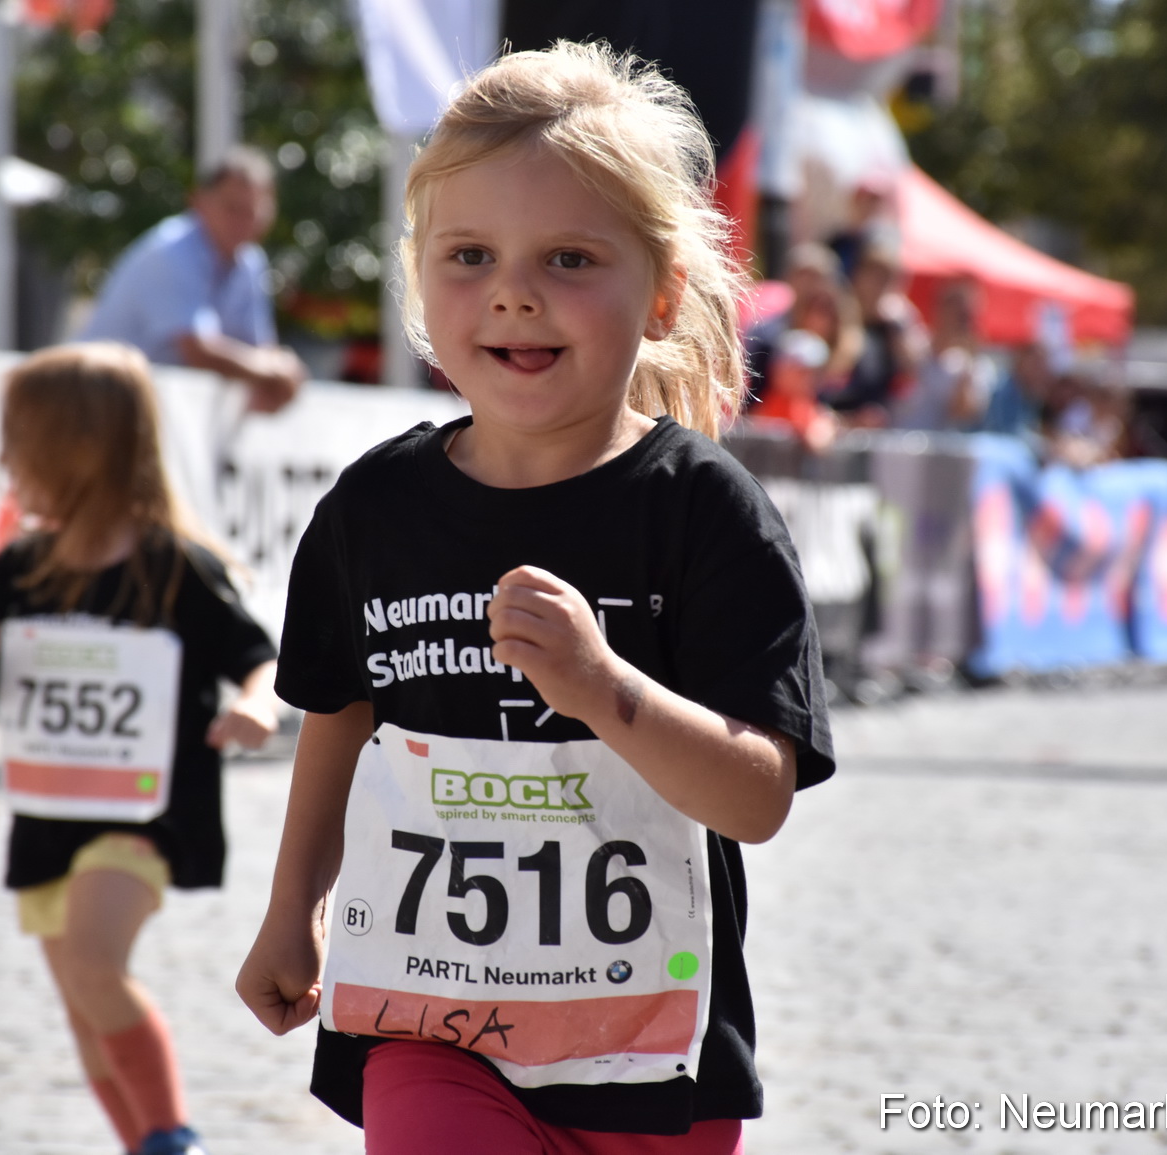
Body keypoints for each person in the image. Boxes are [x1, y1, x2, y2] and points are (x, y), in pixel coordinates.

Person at [236, 41, 835, 1154]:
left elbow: (756, 800)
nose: (513, 291)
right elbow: (340, 714)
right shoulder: (374, 508)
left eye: (568, 257)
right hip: (428, 1028)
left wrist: (603, 686)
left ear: (660, 295)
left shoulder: (706, 510)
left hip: (655, 1055)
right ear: (418, 282)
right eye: (468, 254)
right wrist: (292, 910)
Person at [0, 344, 280, 1155]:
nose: (3, 460)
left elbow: (259, 659)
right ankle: (143, 1143)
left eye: (18, 438)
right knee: (83, 1010)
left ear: (78, 445)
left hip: (145, 812)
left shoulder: (175, 568)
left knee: (96, 965)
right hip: (47, 812)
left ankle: (171, 1134)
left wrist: (255, 706)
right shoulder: (20, 567)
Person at [80, 146, 306, 413]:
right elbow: (199, 351)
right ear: (199, 201)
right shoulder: (170, 251)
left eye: (253, 211)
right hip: (91, 406)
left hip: (139, 414)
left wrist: (275, 370)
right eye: (232, 208)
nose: (243, 221)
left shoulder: (250, 262)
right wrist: (274, 371)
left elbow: (259, 352)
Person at [741, 242, 862, 411]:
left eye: (826, 308)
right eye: (801, 276)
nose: (807, 285)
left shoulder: (859, 355)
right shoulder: (767, 341)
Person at [820, 239, 924, 426]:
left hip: (873, 434)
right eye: (873, 275)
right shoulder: (837, 316)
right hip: (832, 422)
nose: (878, 285)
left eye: (886, 278)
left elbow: (914, 374)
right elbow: (830, 377)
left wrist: (899, 326)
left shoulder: (894, 326)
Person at [892, 279, 995, 433]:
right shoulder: (914, 342)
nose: (959, 321)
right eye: (955, 309)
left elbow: (962, 413)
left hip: (935, 452)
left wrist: (968, 366)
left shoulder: (977, 366)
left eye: (966, 315)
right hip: (892, 442)